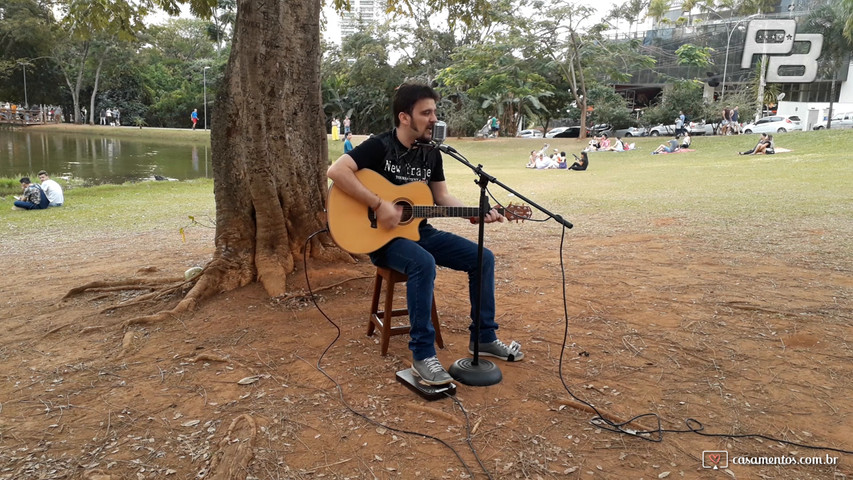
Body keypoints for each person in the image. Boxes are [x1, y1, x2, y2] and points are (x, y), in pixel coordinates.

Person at [326, 82, 524, 386]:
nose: (434, 119)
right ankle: (422, 355)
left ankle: (484, 337)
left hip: (420, 231)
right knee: (423, 263)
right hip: (382, 239)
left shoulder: (432, 153)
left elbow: (442, 198)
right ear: (405, 117)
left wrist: (475, 211)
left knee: (482, 258)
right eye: (426, 112)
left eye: (434, 112)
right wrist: (378, 204)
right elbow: (336, 171)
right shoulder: (380, 145)